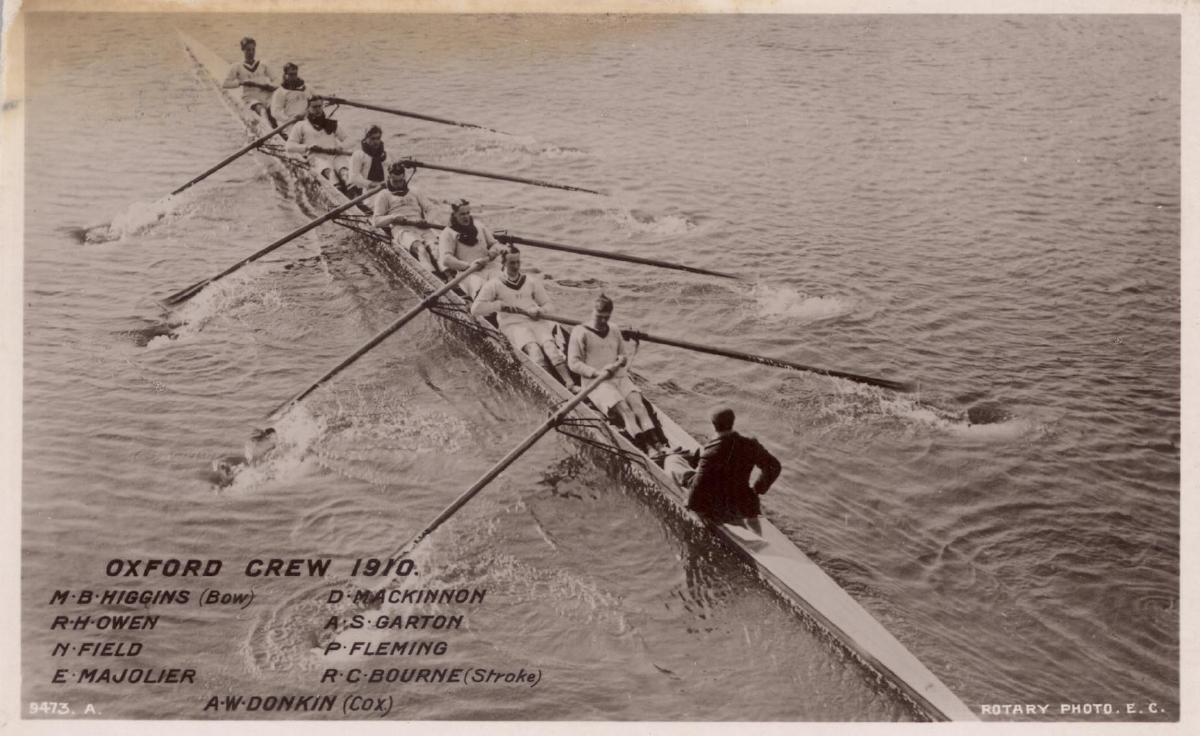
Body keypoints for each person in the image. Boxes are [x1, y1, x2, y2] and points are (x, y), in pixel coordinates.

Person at [567, 293, 667, 453]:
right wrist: (596, 373)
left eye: (606, 317)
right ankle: (646, 448)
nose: (602, 321)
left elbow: (623, 355)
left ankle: (659, 445)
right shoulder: (580, 332)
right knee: (626, 411)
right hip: (596, 383)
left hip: (619, 377)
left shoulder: (613, 329)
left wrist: (621, 360)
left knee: (639, 407)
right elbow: (573, 363)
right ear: (592, 312)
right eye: (599, 316)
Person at [471, 247, 575, 388]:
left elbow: (549, 304)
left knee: (551, 348)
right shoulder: (493, 285)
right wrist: (500, 306)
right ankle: (552, 388)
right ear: (503, 263)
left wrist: (540, 309)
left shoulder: (531, 281)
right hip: (512, 325)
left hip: (535, 321)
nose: (516, 266)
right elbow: (475, 309)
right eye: (511, 263)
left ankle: (570, 384)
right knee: (535, 351)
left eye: (518, 262)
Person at [668, 407, 781, 522]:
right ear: (733, 422)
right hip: (741, 500)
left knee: (672, 461)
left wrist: (690, 503)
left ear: (713, 425)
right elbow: (774, 466)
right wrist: (757, 489)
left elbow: (699, 485)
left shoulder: (711, 452)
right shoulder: (750, 444)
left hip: (717, 505)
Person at [372, 161, 439, 270]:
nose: (398, 184)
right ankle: (433, 276)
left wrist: (428, 221)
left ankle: (450, 278)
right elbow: (376, 221)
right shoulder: (383, 195)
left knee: (436, 250)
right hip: (402, 229)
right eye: (395, 181)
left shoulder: (415, 191)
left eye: (400, 180)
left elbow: (432, 208)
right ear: (389, 177)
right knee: (421, 249)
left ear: (404, 177)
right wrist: (392, 217)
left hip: (421, 226)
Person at [437, 200, 501, 298]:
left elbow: (495, 244)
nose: (466, 217)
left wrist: (491, 254)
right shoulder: (448, 233)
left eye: (468, 213)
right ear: (454, 215)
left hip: (488, 267)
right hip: (468, 274)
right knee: (482, 292)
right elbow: (446, 259)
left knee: (505, 285)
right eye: (462, 214)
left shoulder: (479, 225)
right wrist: (469, 266)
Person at [285, 97, 352, 188]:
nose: (318, 110)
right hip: (316, 158)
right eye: (314, 107)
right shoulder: (301, 125)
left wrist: (340, 147)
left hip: (335, 156)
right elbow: (289, 146)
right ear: (308, 108)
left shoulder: (331, 124)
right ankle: (337, 188)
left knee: (345, 173)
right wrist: (307, 147)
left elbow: (349, 140)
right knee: (331, 176)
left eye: (319, 106)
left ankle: (353, 190)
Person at [222, 37, 278, 126]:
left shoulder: (263, 64)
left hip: (266, 96)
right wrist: (241, 83)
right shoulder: (237, 67)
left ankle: (279, 133)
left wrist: (270, 86)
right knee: (263, 111)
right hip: (251, 98)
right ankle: (268, 131)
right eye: (248, 50)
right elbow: (225, 84)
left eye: (253, 49)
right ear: (243, 50)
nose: (251, 52)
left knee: (273, 112)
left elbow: (276, 80)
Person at [211, 427, 278, 486]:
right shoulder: (261, 438)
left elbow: (272, 446)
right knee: (245, 465)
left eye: (274, 437)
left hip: (253, 451)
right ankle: (223, 466)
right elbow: (250, 442)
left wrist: (268, 452)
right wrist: (249, 454)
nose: (273, 438)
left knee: (247, 466)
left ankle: (226, 470)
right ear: (267, 436)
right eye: (271, 437)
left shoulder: (272, 441)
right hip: (247, 448)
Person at [347, 124, 388, 197]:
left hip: (385, 191)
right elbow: (353, 178)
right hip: (367, 194)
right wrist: (373, 184)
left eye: (378, 138)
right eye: (372, 138)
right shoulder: (358, 155)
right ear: (366, 138)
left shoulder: (384, 154)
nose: (376, 141)